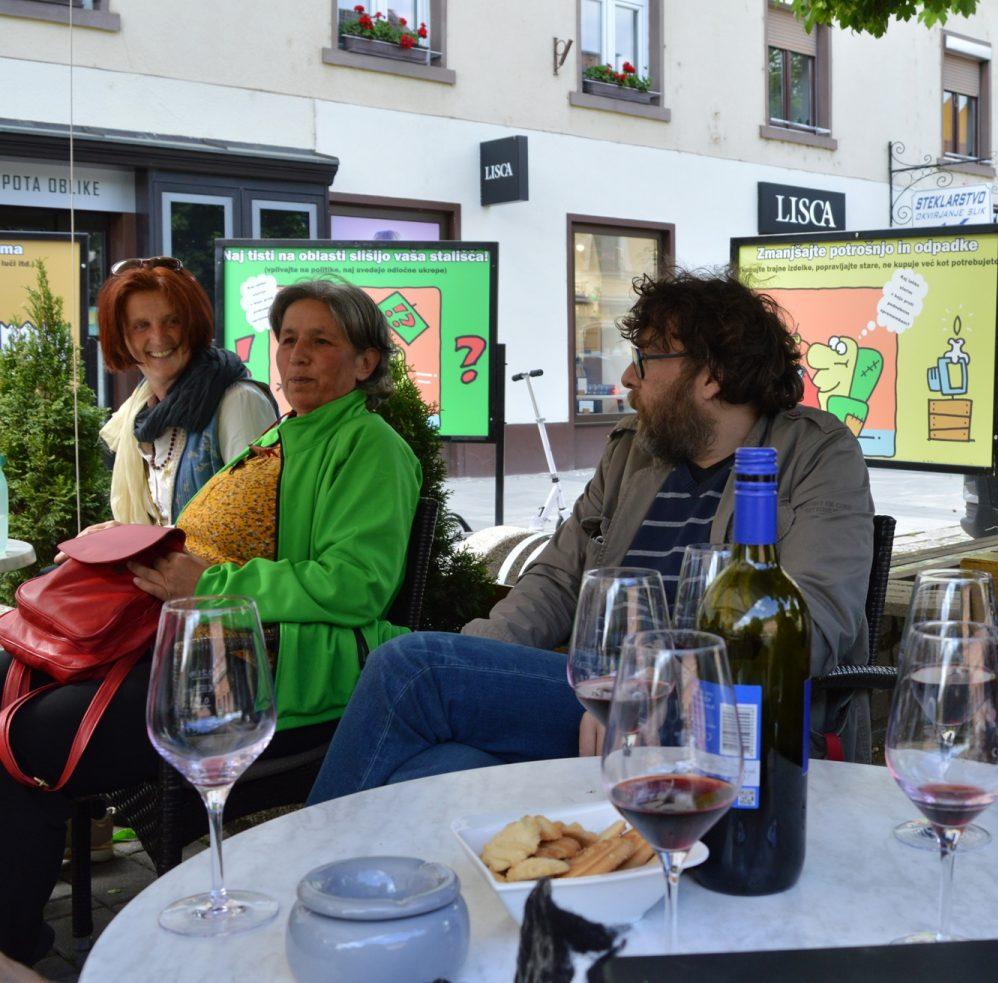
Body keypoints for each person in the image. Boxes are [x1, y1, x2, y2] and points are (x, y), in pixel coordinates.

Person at [308, 267, 874, 804]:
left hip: (734, 718)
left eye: (645, 359)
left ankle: (305, 856)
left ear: (712, 376)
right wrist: (476, 660)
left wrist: (656, 685)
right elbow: (555, 582)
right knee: (444, 765)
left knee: (412, 668)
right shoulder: (635, 451)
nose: (628, 377)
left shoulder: (815, 453)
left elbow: (816, 616)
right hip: (601, 704)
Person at [0, 278, 420, 965]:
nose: (297, 355)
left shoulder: (369, 445)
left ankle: (13, 947)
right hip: (209, 645)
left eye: (321, 341)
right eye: (288, 339)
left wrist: (209, 584)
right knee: (8, 682)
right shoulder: (289, 432)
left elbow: (356, 586)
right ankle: (14, 938)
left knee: (30, 736)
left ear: (365, 362)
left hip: (277, 666)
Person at [95, 257, 278, 528]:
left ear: (193, 325)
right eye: (141, 325)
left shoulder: (238, 402)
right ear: (121, 337)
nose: (159, 338)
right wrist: (122, 535)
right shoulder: (140, 410)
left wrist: (137, 538)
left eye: (172, 321)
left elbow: (257, 525)